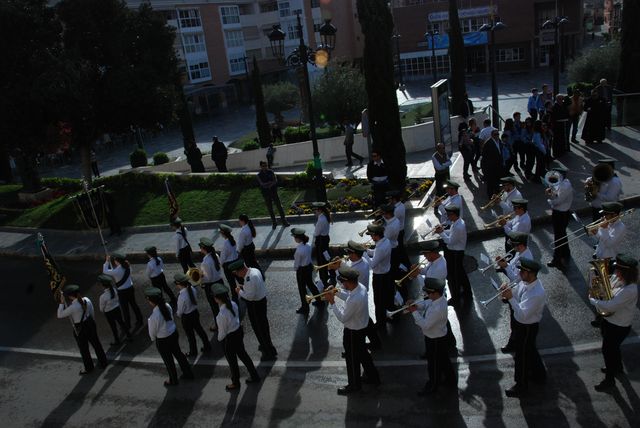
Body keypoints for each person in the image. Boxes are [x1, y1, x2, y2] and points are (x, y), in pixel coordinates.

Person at [325, 266, 381, 395]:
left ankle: (354, 385)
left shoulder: (354, 300)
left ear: (348, 282)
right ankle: (373, 378)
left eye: (343, 282)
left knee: (352, 359)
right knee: (363, 355)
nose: (342, 284)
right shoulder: (360, 287)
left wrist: (332, 302)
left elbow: (343, 318)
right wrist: (336, 292)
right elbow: (348, 296)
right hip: (360, 329)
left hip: (352, 332)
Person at [589, 254, 638, 391]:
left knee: (607, 350)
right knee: (613, 348)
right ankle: (618, 367)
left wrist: (593, 300)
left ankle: (609, 380)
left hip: (619, 325)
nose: (615, 272)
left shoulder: (630, 290)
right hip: (609, 321)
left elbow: (610, 306)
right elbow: (607, 287)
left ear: (625, 272)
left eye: (618, 270)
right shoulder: (617, 278)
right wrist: (596, 281)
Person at [499, 258, 547, 397]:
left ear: (530, 273)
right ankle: (539, 374)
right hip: (524, 326)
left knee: (522, 357)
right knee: (530, 350)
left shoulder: (537, 293)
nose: (519, 272)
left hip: (527, 327)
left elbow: (522, 314)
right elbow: (516, 294)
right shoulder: (525, 282)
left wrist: (510, 298)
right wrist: (508, 292)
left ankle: (521, 385)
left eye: (522, 271)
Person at [408, 277, 456, 395]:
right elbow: (425, 304)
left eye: (428, 293)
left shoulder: (437, 308)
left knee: (433, 364)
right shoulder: (438, 299)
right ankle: (451, 380)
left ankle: (432, 386)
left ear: (435, 293)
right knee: (444, 360)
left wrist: (414, 312)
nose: (427, 294)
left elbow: (425, 325)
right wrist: (415, 305)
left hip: (434, 339)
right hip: (439, 336)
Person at [229, 259, 278, 360]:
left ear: (241, 270)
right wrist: (244, 287)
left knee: (259, 328)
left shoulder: (249, 278)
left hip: (255, 304)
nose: (237, 275)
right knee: (263, 325)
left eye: (237, 273)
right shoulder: (254, 271)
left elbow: (250, 296)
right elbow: (254, 287)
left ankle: (268, 351)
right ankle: (266, 344)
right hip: (261, 301)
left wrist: (239, 292)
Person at [145, 287, 193, 387]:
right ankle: (188, 373)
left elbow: (152, 334)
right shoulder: (167, 306)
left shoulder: (153, 317)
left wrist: (155, 339)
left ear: (151, 301)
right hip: (173, 334)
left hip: (163, 340)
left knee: (168, 361)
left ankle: (173, 380)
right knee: (179, 354)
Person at [214, 287, 261, 391]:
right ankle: (254, 375)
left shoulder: (221, 315)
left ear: (217, 299)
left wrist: (219, 340)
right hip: (238, 332)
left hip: (230, 338)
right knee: (243, 355)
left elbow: (222, 333)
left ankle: (235, 383)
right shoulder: (233, 304)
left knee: (232, 362)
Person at [57, 285, 108, 375]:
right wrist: (92, 323)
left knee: (84, 349)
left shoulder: (73, 307)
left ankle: (89, 368)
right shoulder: (86, 299)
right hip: (90, 323)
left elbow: (60, 315)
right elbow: (91, 311)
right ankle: (104, 362)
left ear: (70, 296)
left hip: (80, 328)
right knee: (97, 344)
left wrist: (61, 303)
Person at [496, 232, 534, 354]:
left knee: (515, 319)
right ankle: (516, 340)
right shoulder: (520, 252)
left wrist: (505, 266)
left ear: (521, 245)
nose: (513, 247)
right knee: (515, 319)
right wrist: (505, 263)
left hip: (520, 291)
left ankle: (515, 343)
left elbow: (517, 278)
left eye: (515, 245)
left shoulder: (525, 258)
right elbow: (512, 267)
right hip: (516, 288)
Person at [342, 240, 380, 350]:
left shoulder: (355, 268)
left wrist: (336, 271)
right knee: (366, 320)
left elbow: (345, 285)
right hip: (361, 293)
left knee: (359, 325)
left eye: (349, 253)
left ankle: (355, 348)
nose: (348, 255)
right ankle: (376, 342)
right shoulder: (362, 261)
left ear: (354, 254)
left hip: (356, 295)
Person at [435, 206, 471, 307]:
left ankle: (456, 298)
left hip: (457, 252)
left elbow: (450, 241)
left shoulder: (458, 226)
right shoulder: (457, 222)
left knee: (456, 277)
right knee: (461, 273)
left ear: (454, 215)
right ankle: (467, 291)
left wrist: (441, 233)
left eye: (449, 215)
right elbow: (452, 233)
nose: (448, 217)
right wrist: (443, 231)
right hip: (457, 251)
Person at [103, 253, 143, 331]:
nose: (114, 262)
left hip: (122, 292)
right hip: (130, 288)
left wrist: (107, 261)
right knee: (134, 305)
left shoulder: (116, 271)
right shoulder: (127, 267)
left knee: (125, 309)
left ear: (117, 261)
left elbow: (105, 271)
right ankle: (140, 319)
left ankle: (128, 325)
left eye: (115, 260)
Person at [174, 273, 211, 357]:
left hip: (187, 317)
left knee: (190, 335)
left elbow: (180, 311)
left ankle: (193, 351)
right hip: (194, 313)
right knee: (200, 330)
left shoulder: (181, 296)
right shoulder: (192, 289)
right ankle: (207, 345)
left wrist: (178, 315)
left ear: (179, 284)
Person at [364, 224, 392, 329]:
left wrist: (364, 254)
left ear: (376, 235)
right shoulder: (385, 241)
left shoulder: (380, 247)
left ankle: (381, 323)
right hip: (386, 274)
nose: (371, 238)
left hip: (380, 277)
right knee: (385, 298)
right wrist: (367, 250)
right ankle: (385, 317)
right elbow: (376, 254)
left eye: (372, 235)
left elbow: (372, 264)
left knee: (379, 301)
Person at [546, 164, 574, 269]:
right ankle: (566, 252)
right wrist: (551, 190)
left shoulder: (565, 186)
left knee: (558, 237)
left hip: (561, 213)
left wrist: (549, 198)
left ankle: (557, 259)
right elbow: (556, 193)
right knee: (562, 234)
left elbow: (557, 201)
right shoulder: (562, 183)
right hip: (561, 212)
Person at [198, 237, 227, 331]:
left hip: (211, 286)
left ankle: (218, 325)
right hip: (219, 282)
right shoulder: (215, 255)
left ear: (204, 249)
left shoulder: (205, 262)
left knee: (215, 307)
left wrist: (201, 277)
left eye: (201, 247)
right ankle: (227, 320)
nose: (200, 249)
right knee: (224, 304)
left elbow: (208, 278)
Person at [292, 228, 321, 314]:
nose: (294, 239)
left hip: (302, 270)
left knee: (302, 289)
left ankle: (305, 307)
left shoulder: (299, 250)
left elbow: (297, 264)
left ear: (298, 238)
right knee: (311, 284)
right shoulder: (308, 245)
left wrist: (295, 269)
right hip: (309, 267)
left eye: (295, 237)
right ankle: (319, 300)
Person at [97, 274, 131, 346]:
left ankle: (117, 340)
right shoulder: (115, 290)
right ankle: (129, 335)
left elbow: (101, 308)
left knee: (113, 327)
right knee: (121, 322)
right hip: (117, 309)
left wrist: (104, 311)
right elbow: (117, 299)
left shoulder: (102, 297)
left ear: (103, 285)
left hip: (109, 312)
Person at [256, 161, 290, 230]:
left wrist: (268, 184)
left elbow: (275, 181)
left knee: (279, 207)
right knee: (270, 209)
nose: (265, 167)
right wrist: (270, 183)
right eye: (263, 166)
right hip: (266, 194)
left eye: (266, 165)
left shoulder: (271, 172)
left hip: (274, 192)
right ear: (260, 167)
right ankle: (274, 222)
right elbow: (262, 184)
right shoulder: (259, 175)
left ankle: (284, 221)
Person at [313, 201, 335, 286]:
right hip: (325, 239)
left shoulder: (321, 219)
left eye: (315, 210)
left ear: (319, 210)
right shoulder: (325, 216)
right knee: (327, 256)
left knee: (321, 260)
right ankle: (332, 273)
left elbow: (316, 233)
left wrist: (314, 234)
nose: (315, 211)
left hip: (321, 241)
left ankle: (323, 278)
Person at [481, 128, 505, 199]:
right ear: (492, 135)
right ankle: (490, 197)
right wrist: (485, 168)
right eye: (495, 134)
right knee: (490, 183)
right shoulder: (488, 143)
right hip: (490, 167)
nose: (497, 136)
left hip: (498, 166)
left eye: (498, 134)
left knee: (497, 181)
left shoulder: (499, 142)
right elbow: (484, 156)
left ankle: (497, 195)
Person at [218, 224, 240, 302]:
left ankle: (235, 298)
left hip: (229, 265)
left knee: (232, 283)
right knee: (240, 280)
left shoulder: (225, 243)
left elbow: (223, 257)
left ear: (223, 233)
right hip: (236, 262)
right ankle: (244, 294)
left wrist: (221, 264)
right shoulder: (232, 240)